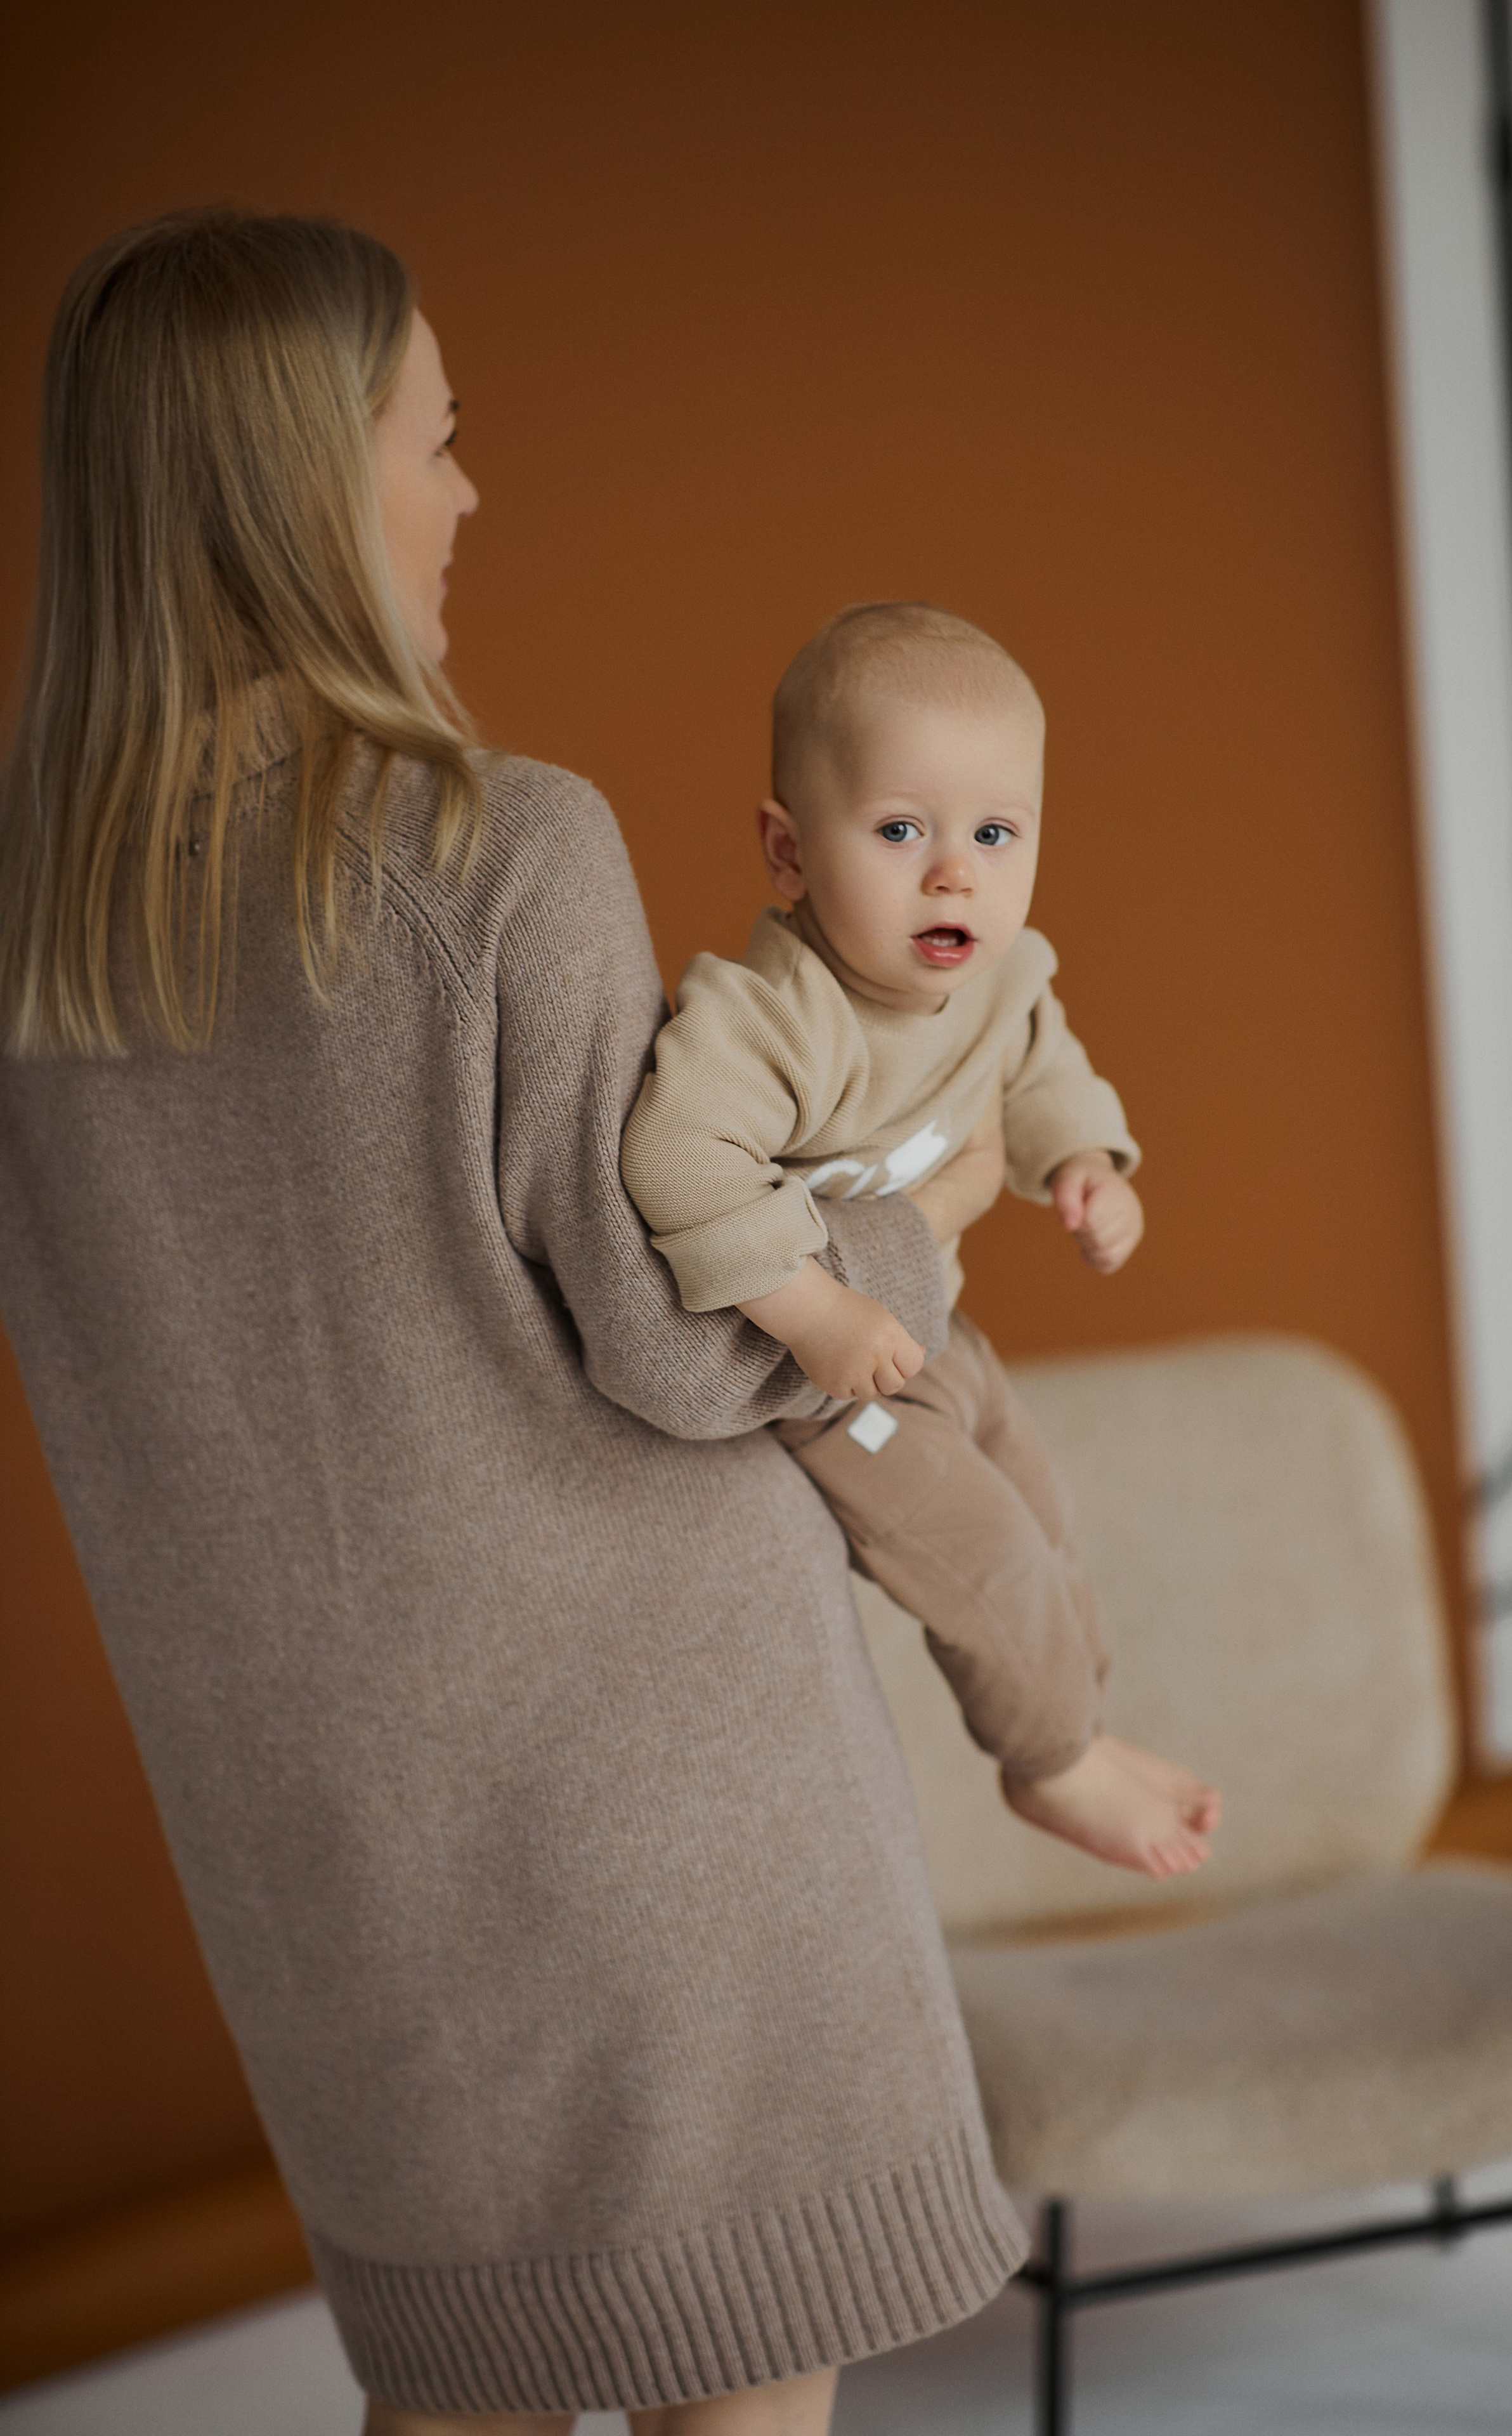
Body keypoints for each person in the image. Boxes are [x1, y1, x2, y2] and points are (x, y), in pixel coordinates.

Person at [0, 213, 1030, 2435]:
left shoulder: (36, 930)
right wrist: (924, 1215)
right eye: (439, 445)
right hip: (663, 1819)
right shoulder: (492, 849)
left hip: (326, 1862)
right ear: (306, 482)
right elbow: (678, 1347)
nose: (467, 499)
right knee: (740, 2396)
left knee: (456, 2399)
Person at [621, 604, 1220, 1876]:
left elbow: (1037, 1066)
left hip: (928, 1331)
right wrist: (813, 1314)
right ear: (787, 854)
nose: (955, 875)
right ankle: (1050, 1763)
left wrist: (1083, 1165)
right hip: (808, 1381)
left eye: (994, 835)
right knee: (983, 1554)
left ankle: (1083, 1723)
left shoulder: (997, 980)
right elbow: (673, 1158)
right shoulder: (771, 1016)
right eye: (900, 832)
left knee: (1037, 1503)